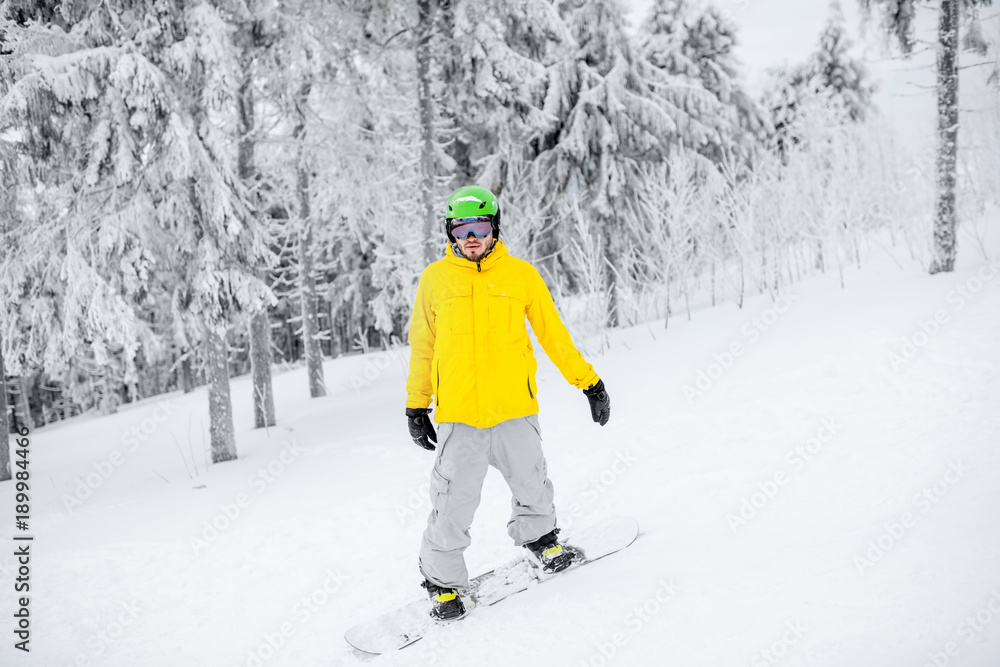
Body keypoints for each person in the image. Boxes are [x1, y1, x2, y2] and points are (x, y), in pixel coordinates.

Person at [404, 184, 611, 621]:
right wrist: (416, 405)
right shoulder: (435, 280)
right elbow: (423, 346)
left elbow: (553, 336)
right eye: (461, 229)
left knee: (532, 482)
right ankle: (442, 582)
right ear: (451, 233)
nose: (471, 237)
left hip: (515, 408)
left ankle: (541, 541)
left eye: (479, 226)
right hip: (460, 414)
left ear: (494, 227)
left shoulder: (521, 276)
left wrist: (589, 383)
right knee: (452, 499)